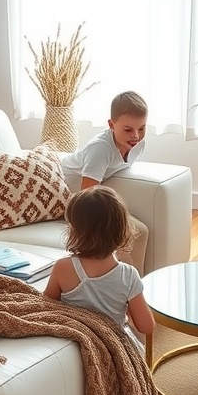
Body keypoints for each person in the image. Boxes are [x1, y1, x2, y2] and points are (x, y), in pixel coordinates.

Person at [43, 185, 155, 352]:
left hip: (77, 345)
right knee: (136, 349)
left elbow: (46, 306)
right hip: (113, 346)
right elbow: (146, 326)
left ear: (75, 231)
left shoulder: (63, 267)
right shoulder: (128, 275)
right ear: (122, 229)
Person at [61, 90, 149, 274]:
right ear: (111, 124)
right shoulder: (100, 149)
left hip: (96, 196)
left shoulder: (137, 144)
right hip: (71, 198)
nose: (136, 136)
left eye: (141, 128)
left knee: (140, 232)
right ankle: (125, 287)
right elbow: (87, 196)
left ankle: (138, 286)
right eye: (128, 129)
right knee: (120, 240)